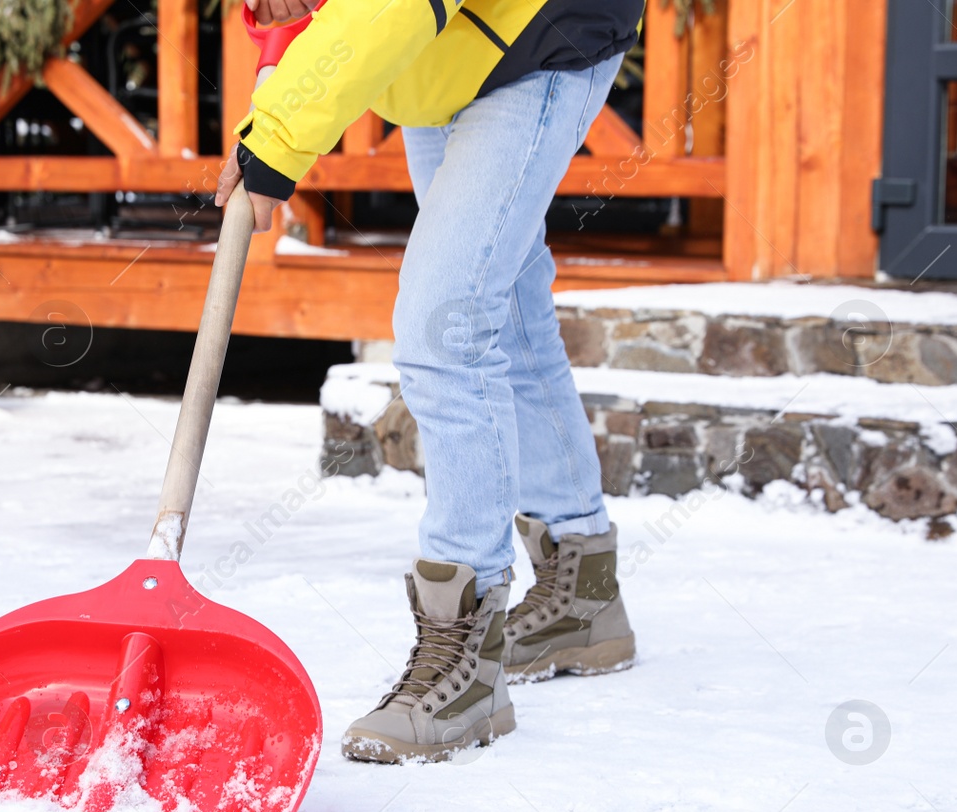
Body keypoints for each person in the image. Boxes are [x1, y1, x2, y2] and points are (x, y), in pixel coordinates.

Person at [216, 0, 643, 763]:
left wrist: (279, 137)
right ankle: (583, 586)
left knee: (446, 326)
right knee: (503, 309)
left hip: (541, 29)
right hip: (444, 51)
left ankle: (463, 656)